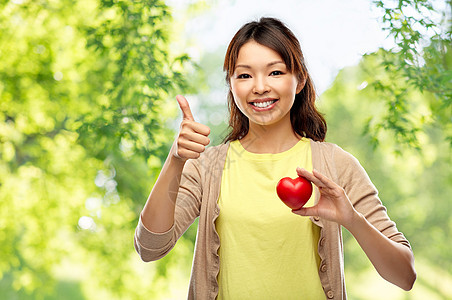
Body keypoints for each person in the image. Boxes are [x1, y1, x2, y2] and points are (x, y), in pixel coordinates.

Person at [134, 17, 416, 299]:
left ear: (300, 80)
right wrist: (176, 160)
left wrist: (353, 219)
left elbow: (404, 276)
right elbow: (149, 248)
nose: (259, 87)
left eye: (275, 73)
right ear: (231, 85)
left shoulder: (336, 164)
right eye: (244, 75)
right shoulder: (207, 167)